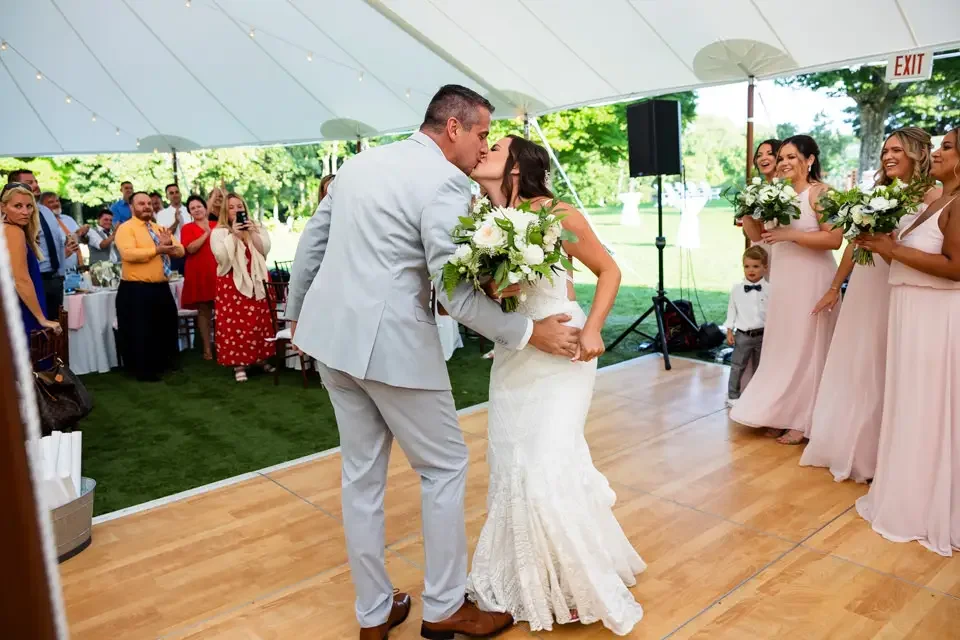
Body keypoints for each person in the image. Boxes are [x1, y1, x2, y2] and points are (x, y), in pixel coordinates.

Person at [286, 84, 581, 640]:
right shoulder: (444, 182)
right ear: (453, 128)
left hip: (330, 341)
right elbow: (455, 295)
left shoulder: (360, 164)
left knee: (361, 478)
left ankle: (374, 614)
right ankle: (445, 607)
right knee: (444, 468)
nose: (483, 146)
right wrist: (527, 332)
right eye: (482, 134)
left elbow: (311, 244)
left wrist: (297, 313)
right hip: (391, 347)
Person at [466, 134, 645, 634]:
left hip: (564, 346)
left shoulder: (556, 213)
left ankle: (569, 584)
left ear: (518, 168)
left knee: (546, 462)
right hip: (517, 349)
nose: (485, 150)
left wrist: (593, 329)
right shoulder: (483, 223)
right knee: (511, 459)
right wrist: (497, 285)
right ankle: (530, 577)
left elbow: (609, 270)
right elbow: (495, 294)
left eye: (496, 147)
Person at [801, 128, 937, 483]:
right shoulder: (879, 192)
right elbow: (854, 244)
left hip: (897, 285)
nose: (888, 156)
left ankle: (880, 452)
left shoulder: (933, 195)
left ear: (918, 152)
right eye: (884, 151)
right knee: (855, 360)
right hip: (865, 281)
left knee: (881, 363)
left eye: (896, 150)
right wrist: (835, 286)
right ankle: (845, 443)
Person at [854, 127, 960, 556]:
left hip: (935, 318)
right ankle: (908, 493)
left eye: (948, 146)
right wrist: (876, 243)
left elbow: (955, 267)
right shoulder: (941, 201)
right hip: (910, 314)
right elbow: (903, 252)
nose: (937, 151)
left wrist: (891, 250)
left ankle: (931, 505)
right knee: (910, 405)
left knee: (929, 407)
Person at [731, 135, 843, 445]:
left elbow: (834, 239)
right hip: (783, 279)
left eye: (792, 157)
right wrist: (750, 209)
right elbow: (758, 234)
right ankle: (781, 411)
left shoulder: (820, 194)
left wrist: (790, 234)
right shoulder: (774, 196)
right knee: (784, 346)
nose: (784, 162)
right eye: (782, 157)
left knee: (808, 347)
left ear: (809, 160)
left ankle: (804, 419)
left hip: (812, 278)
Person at [114, 192, 183, 381]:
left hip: (160, 287)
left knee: (165, 326)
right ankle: (143, 370)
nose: (146, 206)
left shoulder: (159, 228)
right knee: (141, 331)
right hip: (136, 288)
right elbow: (128, 254)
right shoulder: (126, 228)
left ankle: (164, 363)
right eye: (141, 203)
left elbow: (180, 250)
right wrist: (158, 250)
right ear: (132, 207)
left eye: (148, 204)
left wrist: (169, 245)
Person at [209, 193, 273, 382]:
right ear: (224, 211)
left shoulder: (257, 226)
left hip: (256, 280)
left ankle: (261, 358)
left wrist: (252, 232)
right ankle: (239, 364)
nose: (237, 210)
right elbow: (221, 258)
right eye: (231, 207)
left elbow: (265, 250)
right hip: (232, 284)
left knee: (259, 321)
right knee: (236, 324)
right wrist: (234, 235)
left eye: (239, 206)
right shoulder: (219, 232)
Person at [1, 183, 60, 343]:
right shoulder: (13, 231)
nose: (25, 212)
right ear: (3, 207)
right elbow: (21, 279)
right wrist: (41, 318)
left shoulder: (9, 230)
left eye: (29, 206)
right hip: (22, 309)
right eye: (18, 206)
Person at [7, 170, 68, 319]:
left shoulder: (46, 211)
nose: (36, 185)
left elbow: (58, 243)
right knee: (37, 331)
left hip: (55, 280)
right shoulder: (14, 217)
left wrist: (61, 274)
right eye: (29, 183)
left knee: (56, 329)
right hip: (33, 280)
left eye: (36, 181)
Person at [724, 245, 769, 409]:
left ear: (765, 267)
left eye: (756, 266)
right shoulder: (737, 289)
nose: (751, 270)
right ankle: (733, 395)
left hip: (763, 335)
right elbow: (731, 310)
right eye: (747, 266)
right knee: (737, 366)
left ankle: (757, 395)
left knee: (760, 367)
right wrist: (729, 329)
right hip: (743, 335)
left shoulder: (770, 290)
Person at [180, 195, 218, 360]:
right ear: (190, 212)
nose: (196, 210)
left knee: (222, 310)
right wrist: (206, 234)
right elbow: (190, 248)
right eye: (192, 208)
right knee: (204, 311)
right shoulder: (187, 228)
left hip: (217, 271)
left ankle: (223, 344)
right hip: (198, 272)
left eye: (199, 206)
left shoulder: (217, 225)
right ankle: (207, 348)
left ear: (205, 208)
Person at [157, 183, 190, 275]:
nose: (175, 195)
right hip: (174, 254)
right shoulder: (162, 214)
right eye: (171, 193)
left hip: (191, 252)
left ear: (180, 194)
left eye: (177, 192)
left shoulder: (190, 210)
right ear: (167, 196)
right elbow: (164, 236)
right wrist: (176, 222)